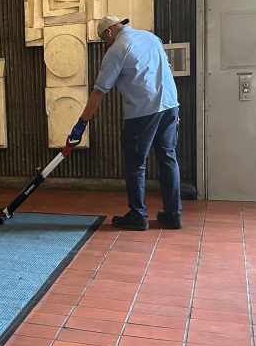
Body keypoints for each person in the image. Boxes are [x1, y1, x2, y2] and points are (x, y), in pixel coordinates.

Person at [67, 15, 182, 231]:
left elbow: (100, 90)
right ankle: (173, 215)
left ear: (109, 32)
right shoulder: (150, 37)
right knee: (168, 159)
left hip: (143, 112)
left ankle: (138, 216)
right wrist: (174, 109)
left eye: (104, 39)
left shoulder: (117, 50)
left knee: (135, 164)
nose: (106, 43)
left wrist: (82, 122)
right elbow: (166, 69)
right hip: (170, 106)